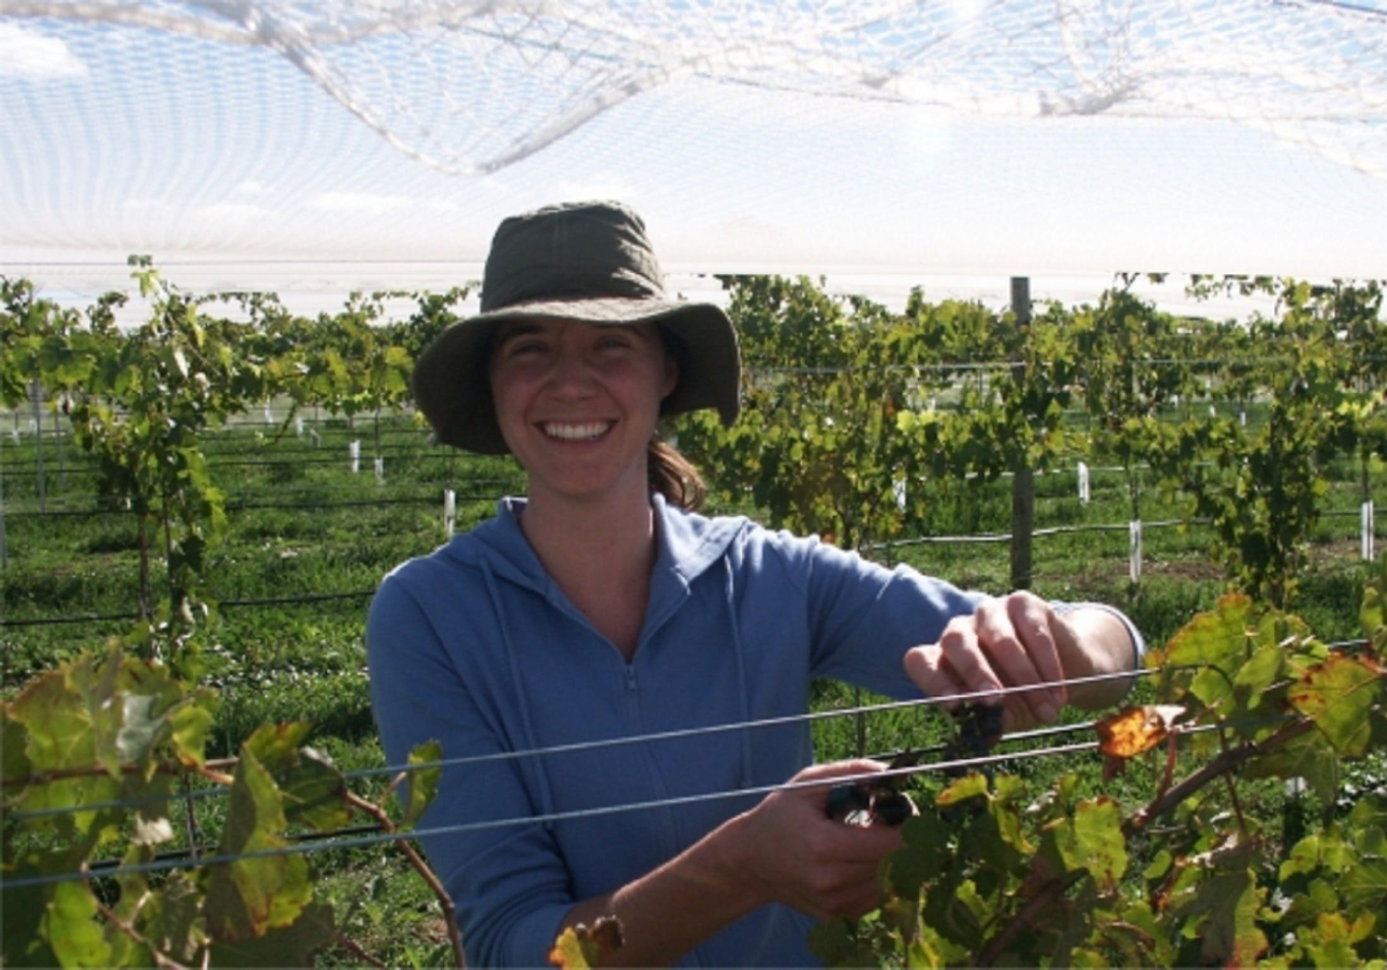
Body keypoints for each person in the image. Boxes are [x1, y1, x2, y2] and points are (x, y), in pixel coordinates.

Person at [366, 200, 1144, 968]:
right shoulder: (429, 616)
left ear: (666, 372)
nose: (571, 383)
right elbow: (508, 948)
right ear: (493, 383)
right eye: (530, 349)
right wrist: (739, 869)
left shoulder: (767, 575)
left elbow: (1117, 647)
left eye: (611, 345)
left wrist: (1056, 642)